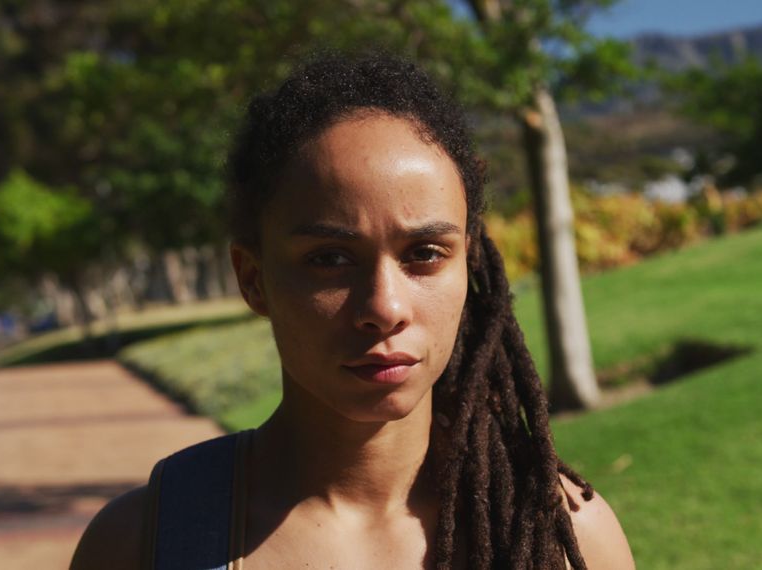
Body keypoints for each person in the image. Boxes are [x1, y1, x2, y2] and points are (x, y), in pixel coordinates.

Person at [71, 53, 633, 570]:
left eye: (425, 254)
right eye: (331, 259)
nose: (384, 308)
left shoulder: (559, 536)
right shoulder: (143, 542)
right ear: (254, 279)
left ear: (470, 265)